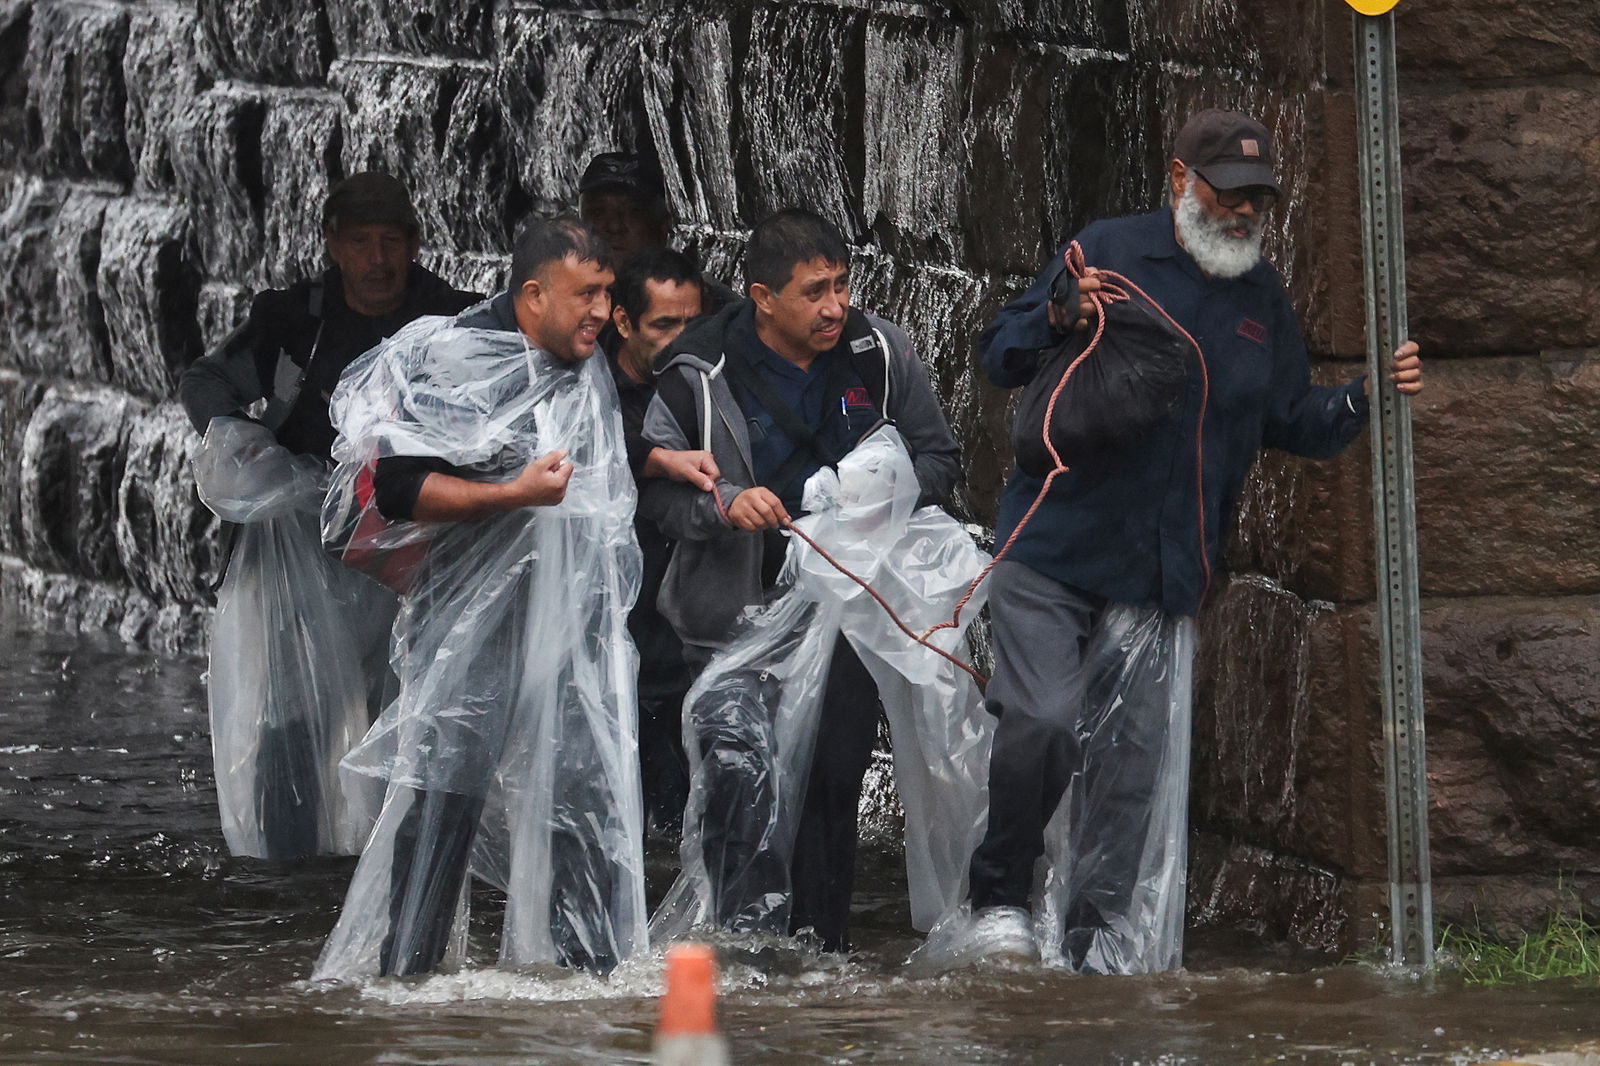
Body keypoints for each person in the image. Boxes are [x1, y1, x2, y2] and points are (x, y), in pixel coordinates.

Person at [954, 109, 1425, 973]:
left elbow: (1292, 419)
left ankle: (1093, 949)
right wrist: (1060, 311)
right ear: (1180, 182)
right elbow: (999, 353)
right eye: (1229, 194)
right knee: (1042, 719)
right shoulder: (1108, 249)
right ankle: (998, 900)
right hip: (1051, 550)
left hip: (1164, 576)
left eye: (1259, 200)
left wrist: (1365, 398)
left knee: (1129, 777)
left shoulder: (1259, 299)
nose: (1244, 214)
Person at [312, 216, 647, 980]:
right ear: (532, 296)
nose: (602, 310)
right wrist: (511, 494)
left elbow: (602, 454)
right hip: (469, 619)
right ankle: (409, 974)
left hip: (570, 616)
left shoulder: (581, 359)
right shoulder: (461, 359)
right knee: (445, 789)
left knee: (581, 785)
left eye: (606, 292)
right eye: (585, 294)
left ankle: (588, 971)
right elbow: (399, 488)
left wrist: (664, 459)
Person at [639, 208, 961, 952]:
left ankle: (821, 955)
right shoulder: (696, 372)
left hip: (845, 607)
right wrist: (724, 506)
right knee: (736, 779)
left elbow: (940, 460)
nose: (835, 306)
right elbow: (652, 491)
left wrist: (869, 495)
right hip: (733, 616)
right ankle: (741, 948)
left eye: (843, 285)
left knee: (831, 782)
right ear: (762, 297)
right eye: (815, 291)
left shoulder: (879, 352)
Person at [179, 172, 480, 860]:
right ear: (334, 247)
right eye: (360, 243)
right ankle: (287, 868)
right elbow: (206, 379)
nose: (378, 261)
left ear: (414, 245)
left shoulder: (449, 318)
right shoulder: (294, 320)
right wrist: (244, 446)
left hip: (408, 543)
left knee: (401, 709)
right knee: (292, 709)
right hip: (301, 546)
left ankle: (385, 869)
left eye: (391, 243)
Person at [606, 249, 718, 836]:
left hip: (698, 594)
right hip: (619, 592)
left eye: (690, 324)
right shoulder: (592, 381)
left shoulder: (713, 379)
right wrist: (659, 461)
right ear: (622, 322)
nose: (680, 341)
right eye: (663, 326)